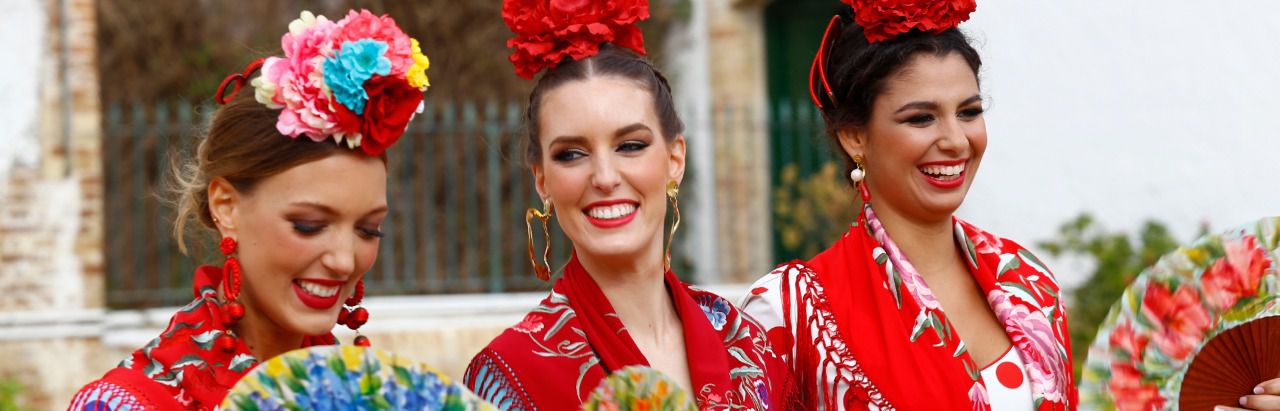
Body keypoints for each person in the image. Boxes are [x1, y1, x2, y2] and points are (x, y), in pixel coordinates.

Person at [67, 9, 431, 410]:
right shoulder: (126, 404)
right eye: (309, 225)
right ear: (226, 207)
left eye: (368, 230)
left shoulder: (373, 396)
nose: (344, 261)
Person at [739, 1, 1076, 410]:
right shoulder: (790, 314)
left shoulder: (1027, 280)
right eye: (921, 118)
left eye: (969, 112)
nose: (955, 140)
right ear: (854, 136)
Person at [463, 1, 785, 409]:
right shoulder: (510, 376)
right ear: (541, 179)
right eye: (571, 154)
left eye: (630, 146)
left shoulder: (750, 344)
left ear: (674, 160)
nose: (605, 177)